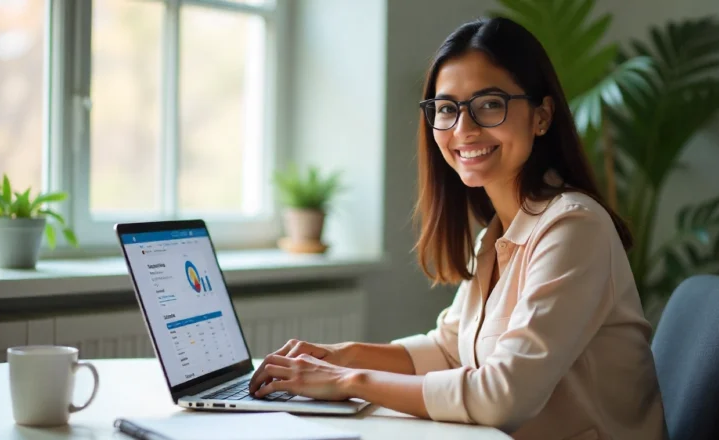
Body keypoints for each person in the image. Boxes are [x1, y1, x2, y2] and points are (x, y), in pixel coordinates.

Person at [249, 16, 666, 440]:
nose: (463, 130)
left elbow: (504, 395)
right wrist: (340, 355)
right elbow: (450, 350)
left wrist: (347, 381)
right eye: (447, 109)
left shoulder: (575, 228)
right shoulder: (498, 233)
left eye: (489, 104)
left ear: (541, 116)